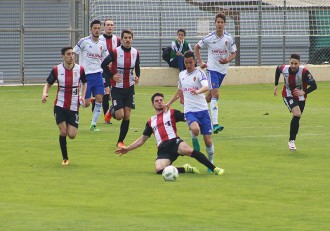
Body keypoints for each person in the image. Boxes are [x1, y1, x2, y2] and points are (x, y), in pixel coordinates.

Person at [115, 93, 225, 176]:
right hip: (163, 148)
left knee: (189, 151)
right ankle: (185, 169)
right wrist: (127, 149)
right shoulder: (150, 121)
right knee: (159, 169)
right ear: (152, 104)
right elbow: (142, 139)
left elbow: (188, 118)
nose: (159, 102)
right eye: (156, 101)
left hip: (174, 141)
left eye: (161, 100)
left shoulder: (172, 113)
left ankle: (214, 168)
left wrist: (195, 124)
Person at [166, 50, 216, 171]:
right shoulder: (182, 75)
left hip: (203, 110)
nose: (188, 65)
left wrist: (198, 91)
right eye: (186, 63)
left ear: (194, 61)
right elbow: (179, 91)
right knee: (195, 129)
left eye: (190, 63)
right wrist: (169, 103)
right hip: (189, 110)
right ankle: (194, 139)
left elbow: (207, 86)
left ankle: (210, 162)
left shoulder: (199, 73)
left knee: (208, 141)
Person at [41, 46, 87, 165]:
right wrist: (44, 93)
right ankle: (65, 158)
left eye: (72, 54)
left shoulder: (80, 69)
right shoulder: (56, 69)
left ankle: (68, 132)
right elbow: (48, 84)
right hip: (60, 105)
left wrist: (82, 95)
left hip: (73, 106)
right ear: (63, 56)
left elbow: (84, 83)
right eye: (68, 54)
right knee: (63, 132)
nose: (71, 56)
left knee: (71, 135)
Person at [194, 13, 237, 134]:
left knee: (208, 97)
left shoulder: (228, 38)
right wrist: (201, 62)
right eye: (217, 22)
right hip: (212, 69)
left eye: (221, 22)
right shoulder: (209, 37)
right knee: (215, 95)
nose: (219, 24)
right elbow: (196, 47)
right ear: (215, 24)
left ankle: (194, 110)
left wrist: (227, 60)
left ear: (224, 24)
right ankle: (215, 124)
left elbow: (234, 53)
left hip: (222, 71)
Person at [101, 29, 140, 147]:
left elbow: (137, 66)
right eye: (125, 38)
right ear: (121, 39)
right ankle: (111, 110)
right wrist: (112, 76)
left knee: (127, 115)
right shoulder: (115, 52)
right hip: (117, 87)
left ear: (132, 39)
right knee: (120, 116)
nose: (128, 40)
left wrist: (137, 76)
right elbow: (103, 65)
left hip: (129, 87)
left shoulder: (135, 52)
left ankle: (120, 141)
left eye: (130, 38)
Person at [274, 53, 317, 151]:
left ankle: (292, 140)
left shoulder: (304, 71)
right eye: (291, 63)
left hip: (301, 97)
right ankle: (291, 141)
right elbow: (277, 69)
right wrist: (276, 84)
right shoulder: (284, 68)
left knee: (297, 117)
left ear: (299, 63)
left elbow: (314, 85)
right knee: (297, 113)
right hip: (288, 94)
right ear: (289, 62)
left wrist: (303, 92)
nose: (293, 66)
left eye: (295, 64)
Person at [73, 19, 109, 132]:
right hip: (86, 76)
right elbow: (73, 53)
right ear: (91, 29)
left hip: (98, 75)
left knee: (100, 99)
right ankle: (75, 105)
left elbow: (107, 58)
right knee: (86, 104)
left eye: (99, 28)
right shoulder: (84, 41)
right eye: (95, 28)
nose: (97, 30)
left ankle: (93, 125)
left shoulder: (102, 44)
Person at [93, 18, 121, 124]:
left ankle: (103, 108)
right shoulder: (99, 39)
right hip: (102, 69)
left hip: (114, 70)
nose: (110, 26)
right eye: (108, 25)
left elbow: (119, 53)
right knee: (106, 91)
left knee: (113, 92)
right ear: (104, 27)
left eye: (111, 25)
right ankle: (106, 118)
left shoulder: (117, 40)